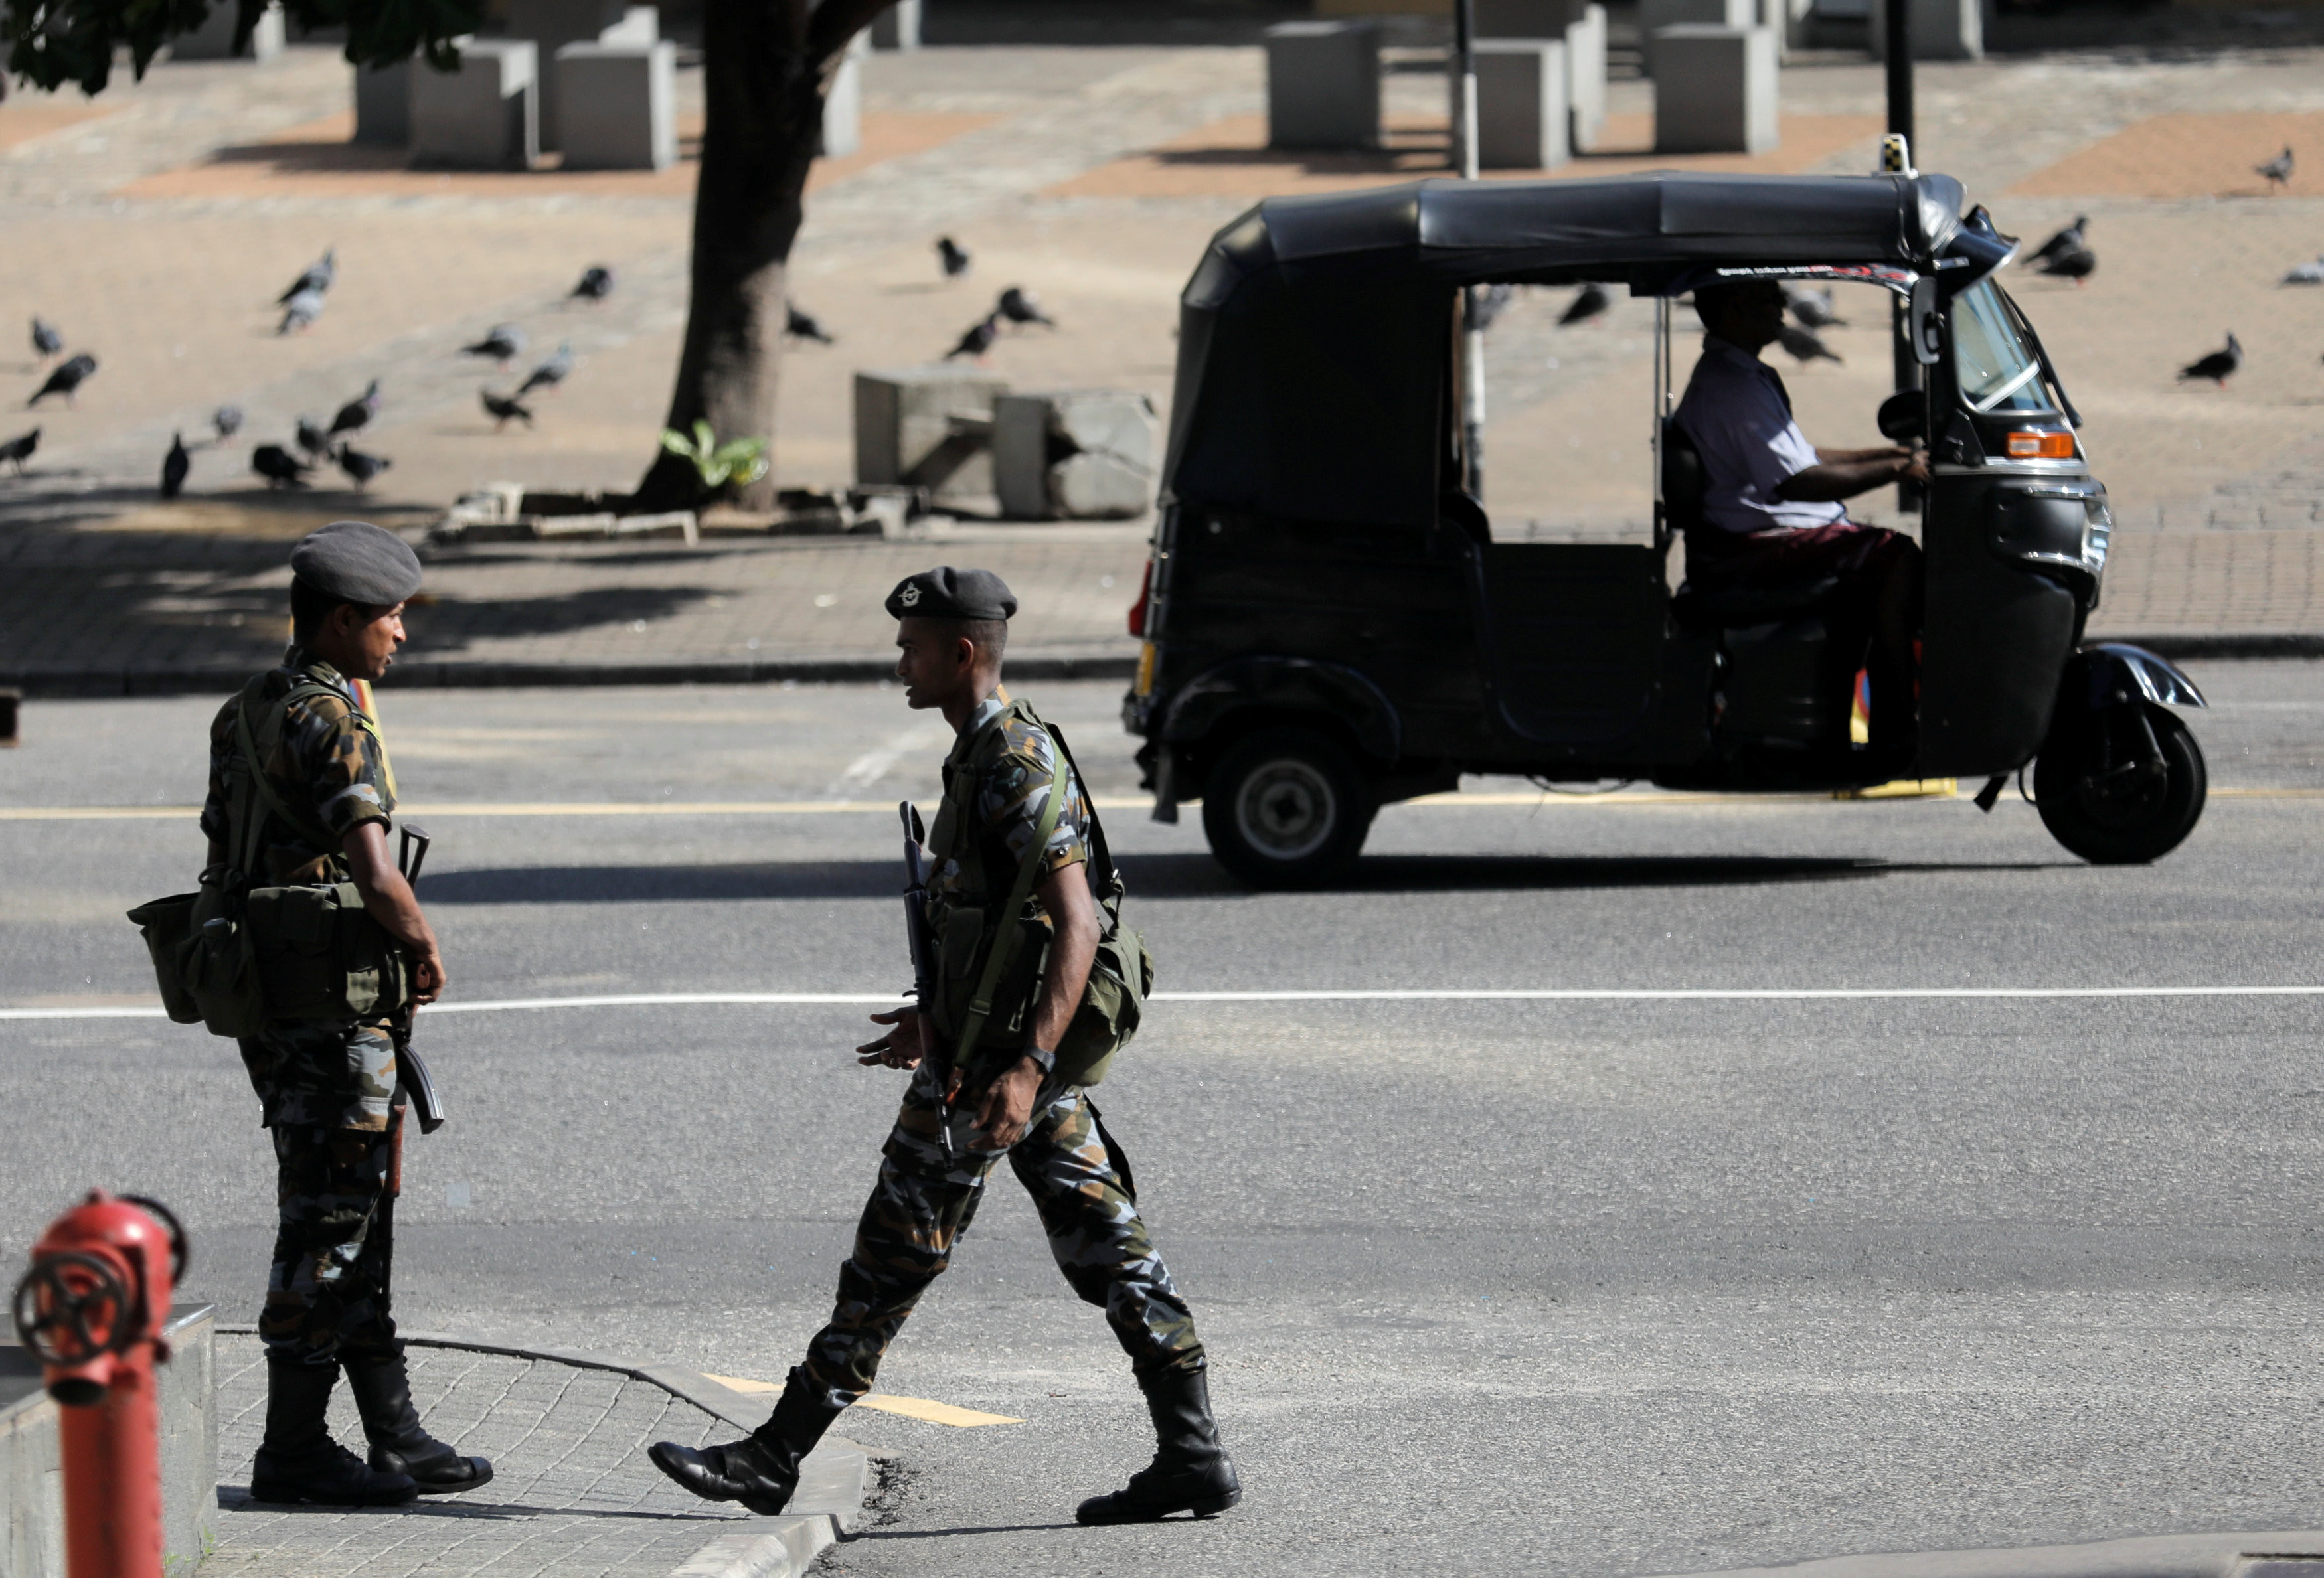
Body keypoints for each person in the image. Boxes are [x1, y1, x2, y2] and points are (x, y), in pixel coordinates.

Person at [647, 566, 1240, 1527]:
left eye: (913, 649)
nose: (900, 666)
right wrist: (939, 1016)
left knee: (891, 1254)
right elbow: (1004, 927)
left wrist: (1028, 1067)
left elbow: (1076, 921)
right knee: (1111, 1245)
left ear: (962, 652)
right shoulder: (982, 753)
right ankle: (1195, 1452)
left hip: (998, 1073)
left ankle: (773, 1458)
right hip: (992, 1054)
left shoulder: (1011, 759)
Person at [203, 520, 491, 1506]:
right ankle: (291, 1451)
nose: (401, 636)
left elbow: (226, 860)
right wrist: (422, 944)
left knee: (354, 1213)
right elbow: (375, 871)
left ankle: (397, 1434)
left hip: (277, 1008)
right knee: (328, 1226)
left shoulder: (246, 710)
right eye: (390, 618)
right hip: (335, 1014)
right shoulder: (334, 719)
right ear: (340, 621)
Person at [1672, 277, 1926, 759]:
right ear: (1730, 310)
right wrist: (1897, 469)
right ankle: (1897, 728)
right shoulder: (1733, 388)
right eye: (1766, 295)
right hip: (1743, 546)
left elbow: (1799, 455)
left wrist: (1894, 455)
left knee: (1881, 556)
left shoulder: (1741, 374)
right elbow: (1797, 481)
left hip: (1757, 529)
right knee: (1895, 557)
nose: (1781, 303)